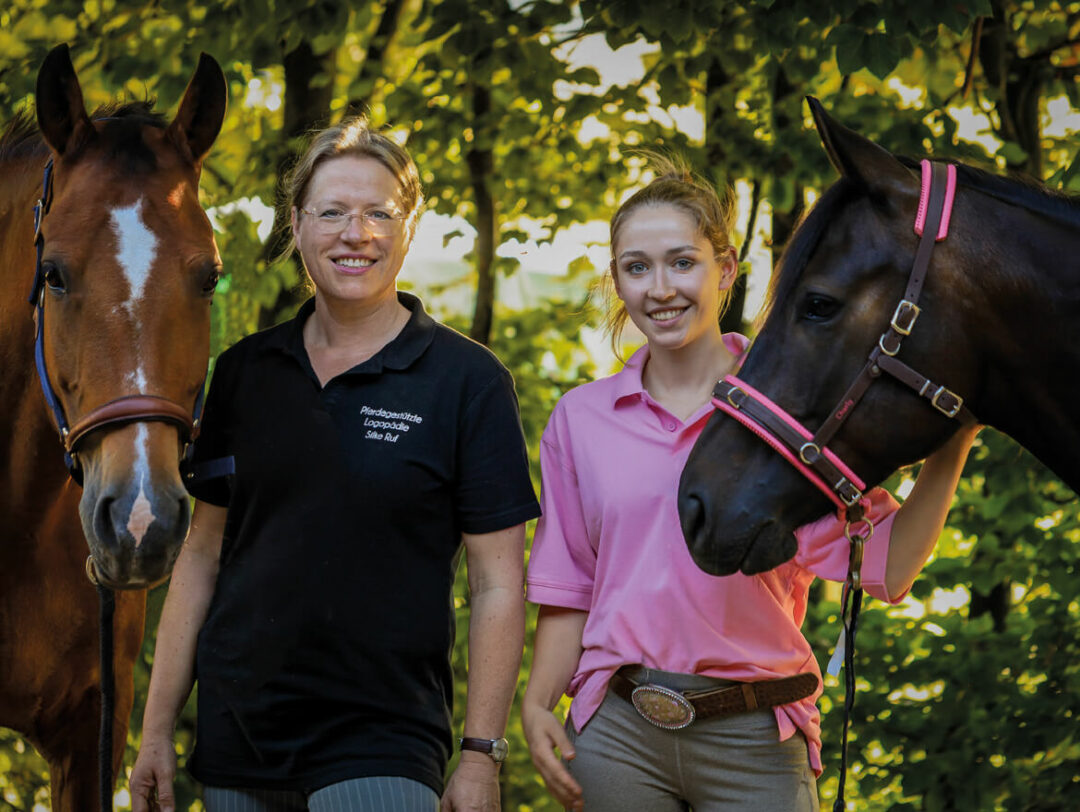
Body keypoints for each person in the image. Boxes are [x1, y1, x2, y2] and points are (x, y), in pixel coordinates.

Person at [520, 156, 979, 811]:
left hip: (756, 741)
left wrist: (953, 442)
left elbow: (890, 566)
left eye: (683, 262)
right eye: (636, 267)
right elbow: (570, 588)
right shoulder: (582, 419)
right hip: (618, 734)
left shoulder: (787, 411)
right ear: (616, 280)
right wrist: (538, 703)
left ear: (726, 269)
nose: (660, 288)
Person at [130, 117, 540, 812]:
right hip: (238, 745)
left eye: (380, 213)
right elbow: (202, 559)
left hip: (384, 739)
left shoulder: (467, 381)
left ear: (408, 227)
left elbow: (499, 583)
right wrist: (154, 733)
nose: (357, 234)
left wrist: (481, 755)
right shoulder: (243, 372)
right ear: (296, 224)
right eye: (333, 212)